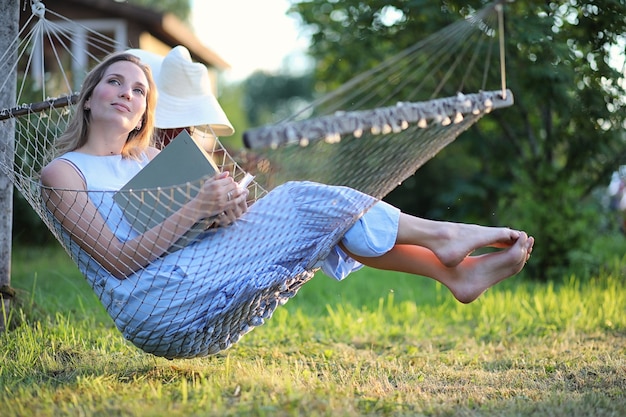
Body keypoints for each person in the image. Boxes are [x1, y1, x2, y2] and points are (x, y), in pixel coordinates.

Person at [40, 51, 534, 358]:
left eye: (139, 90)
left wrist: (223, 210)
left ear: (147, 110)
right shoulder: (65, 172)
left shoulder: (149, 159)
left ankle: (453, 271)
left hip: (193, 282)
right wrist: (194, 210)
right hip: (154, 305)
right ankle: (444, 244)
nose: (127, 93)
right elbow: (117, 262)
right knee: (298, 201)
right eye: (115, 82)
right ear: (88, 98)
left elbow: (189, 233)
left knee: (313, 219)